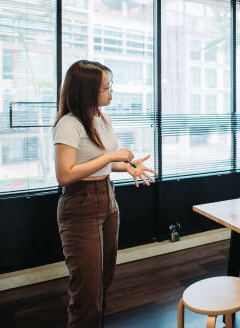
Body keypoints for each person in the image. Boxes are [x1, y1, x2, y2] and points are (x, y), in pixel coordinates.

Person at [53, 60, 157, 328]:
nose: (111, 92)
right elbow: (65, 174)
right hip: (80, 203)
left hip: (107, 198)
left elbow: (99, 163)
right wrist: (111, 156)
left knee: (103, 279)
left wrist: (127, 167)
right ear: (88, 91)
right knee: (87, 291)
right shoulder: (69, 123)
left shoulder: (100, 117)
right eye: (106, 88)